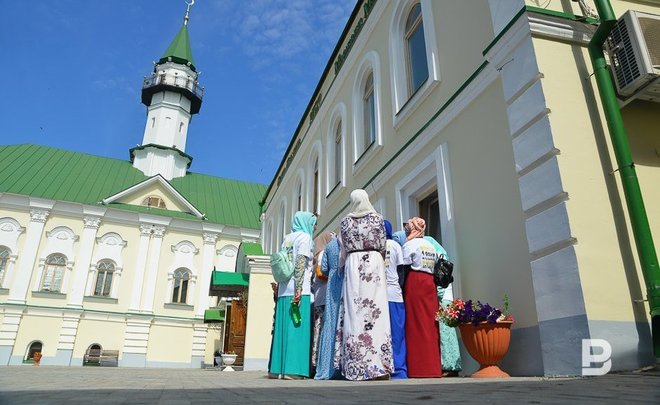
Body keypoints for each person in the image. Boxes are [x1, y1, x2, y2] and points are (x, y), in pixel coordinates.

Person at [334, 189, 393, 381]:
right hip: (374, 264)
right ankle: (379, 367)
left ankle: (356, 366)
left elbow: (342, 251)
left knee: (354, 312)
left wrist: (343, 265)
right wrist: (378, 260)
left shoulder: (345, 221)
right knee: (377, 313)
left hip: (353, 265)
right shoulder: (377, 219)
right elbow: (383, 244)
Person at [269, 211, 316, 379]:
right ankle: (293, 370)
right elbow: (300, 264)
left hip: (283, 290)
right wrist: (298, 291)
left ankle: (277, 369)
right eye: (312, 223)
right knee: (297, 330)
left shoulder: (287, 238)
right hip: (299, 290)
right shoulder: (304, 238)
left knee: (282, 330)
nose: (313, 227)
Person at [402, 217, 441, 378]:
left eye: (408, 226)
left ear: (412, 229)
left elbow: (403, 268)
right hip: (430, 283)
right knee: (431, 324)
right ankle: (433, 367)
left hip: (415, 282)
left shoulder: (409, 245)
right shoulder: (431, 245)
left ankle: (418, 368)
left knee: (414, 323)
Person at [424, 236, 462, 377]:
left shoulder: (434, 253)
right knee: (448, 331)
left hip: (442, 298)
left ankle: (450, 366)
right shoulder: (442, 253)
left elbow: (440, 281)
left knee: (445, 332)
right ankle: (451, 365)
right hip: (447, 296)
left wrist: (436, 296)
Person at [314, 233, 344, 380]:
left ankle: (325, 367)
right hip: (344, 283)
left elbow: (324, 268)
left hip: (331, 285)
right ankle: (340, 368)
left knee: (329, 325)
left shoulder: (330, 246)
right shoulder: (347, 243)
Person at [384, 220, 407, 379]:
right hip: (395, 295)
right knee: (398, 334)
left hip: (378, 296)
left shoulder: (376, 245)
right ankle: (399, 370)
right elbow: (401, 271)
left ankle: (385, 369)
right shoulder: (395, 245)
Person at [311, 231, 333, 376]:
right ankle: (318, 363)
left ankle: (316, 363)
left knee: (318, 329)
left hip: (319, 296)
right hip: (324, 297)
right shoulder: (323, 253)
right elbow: (321, 273)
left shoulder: (317, 254)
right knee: (321, 330)